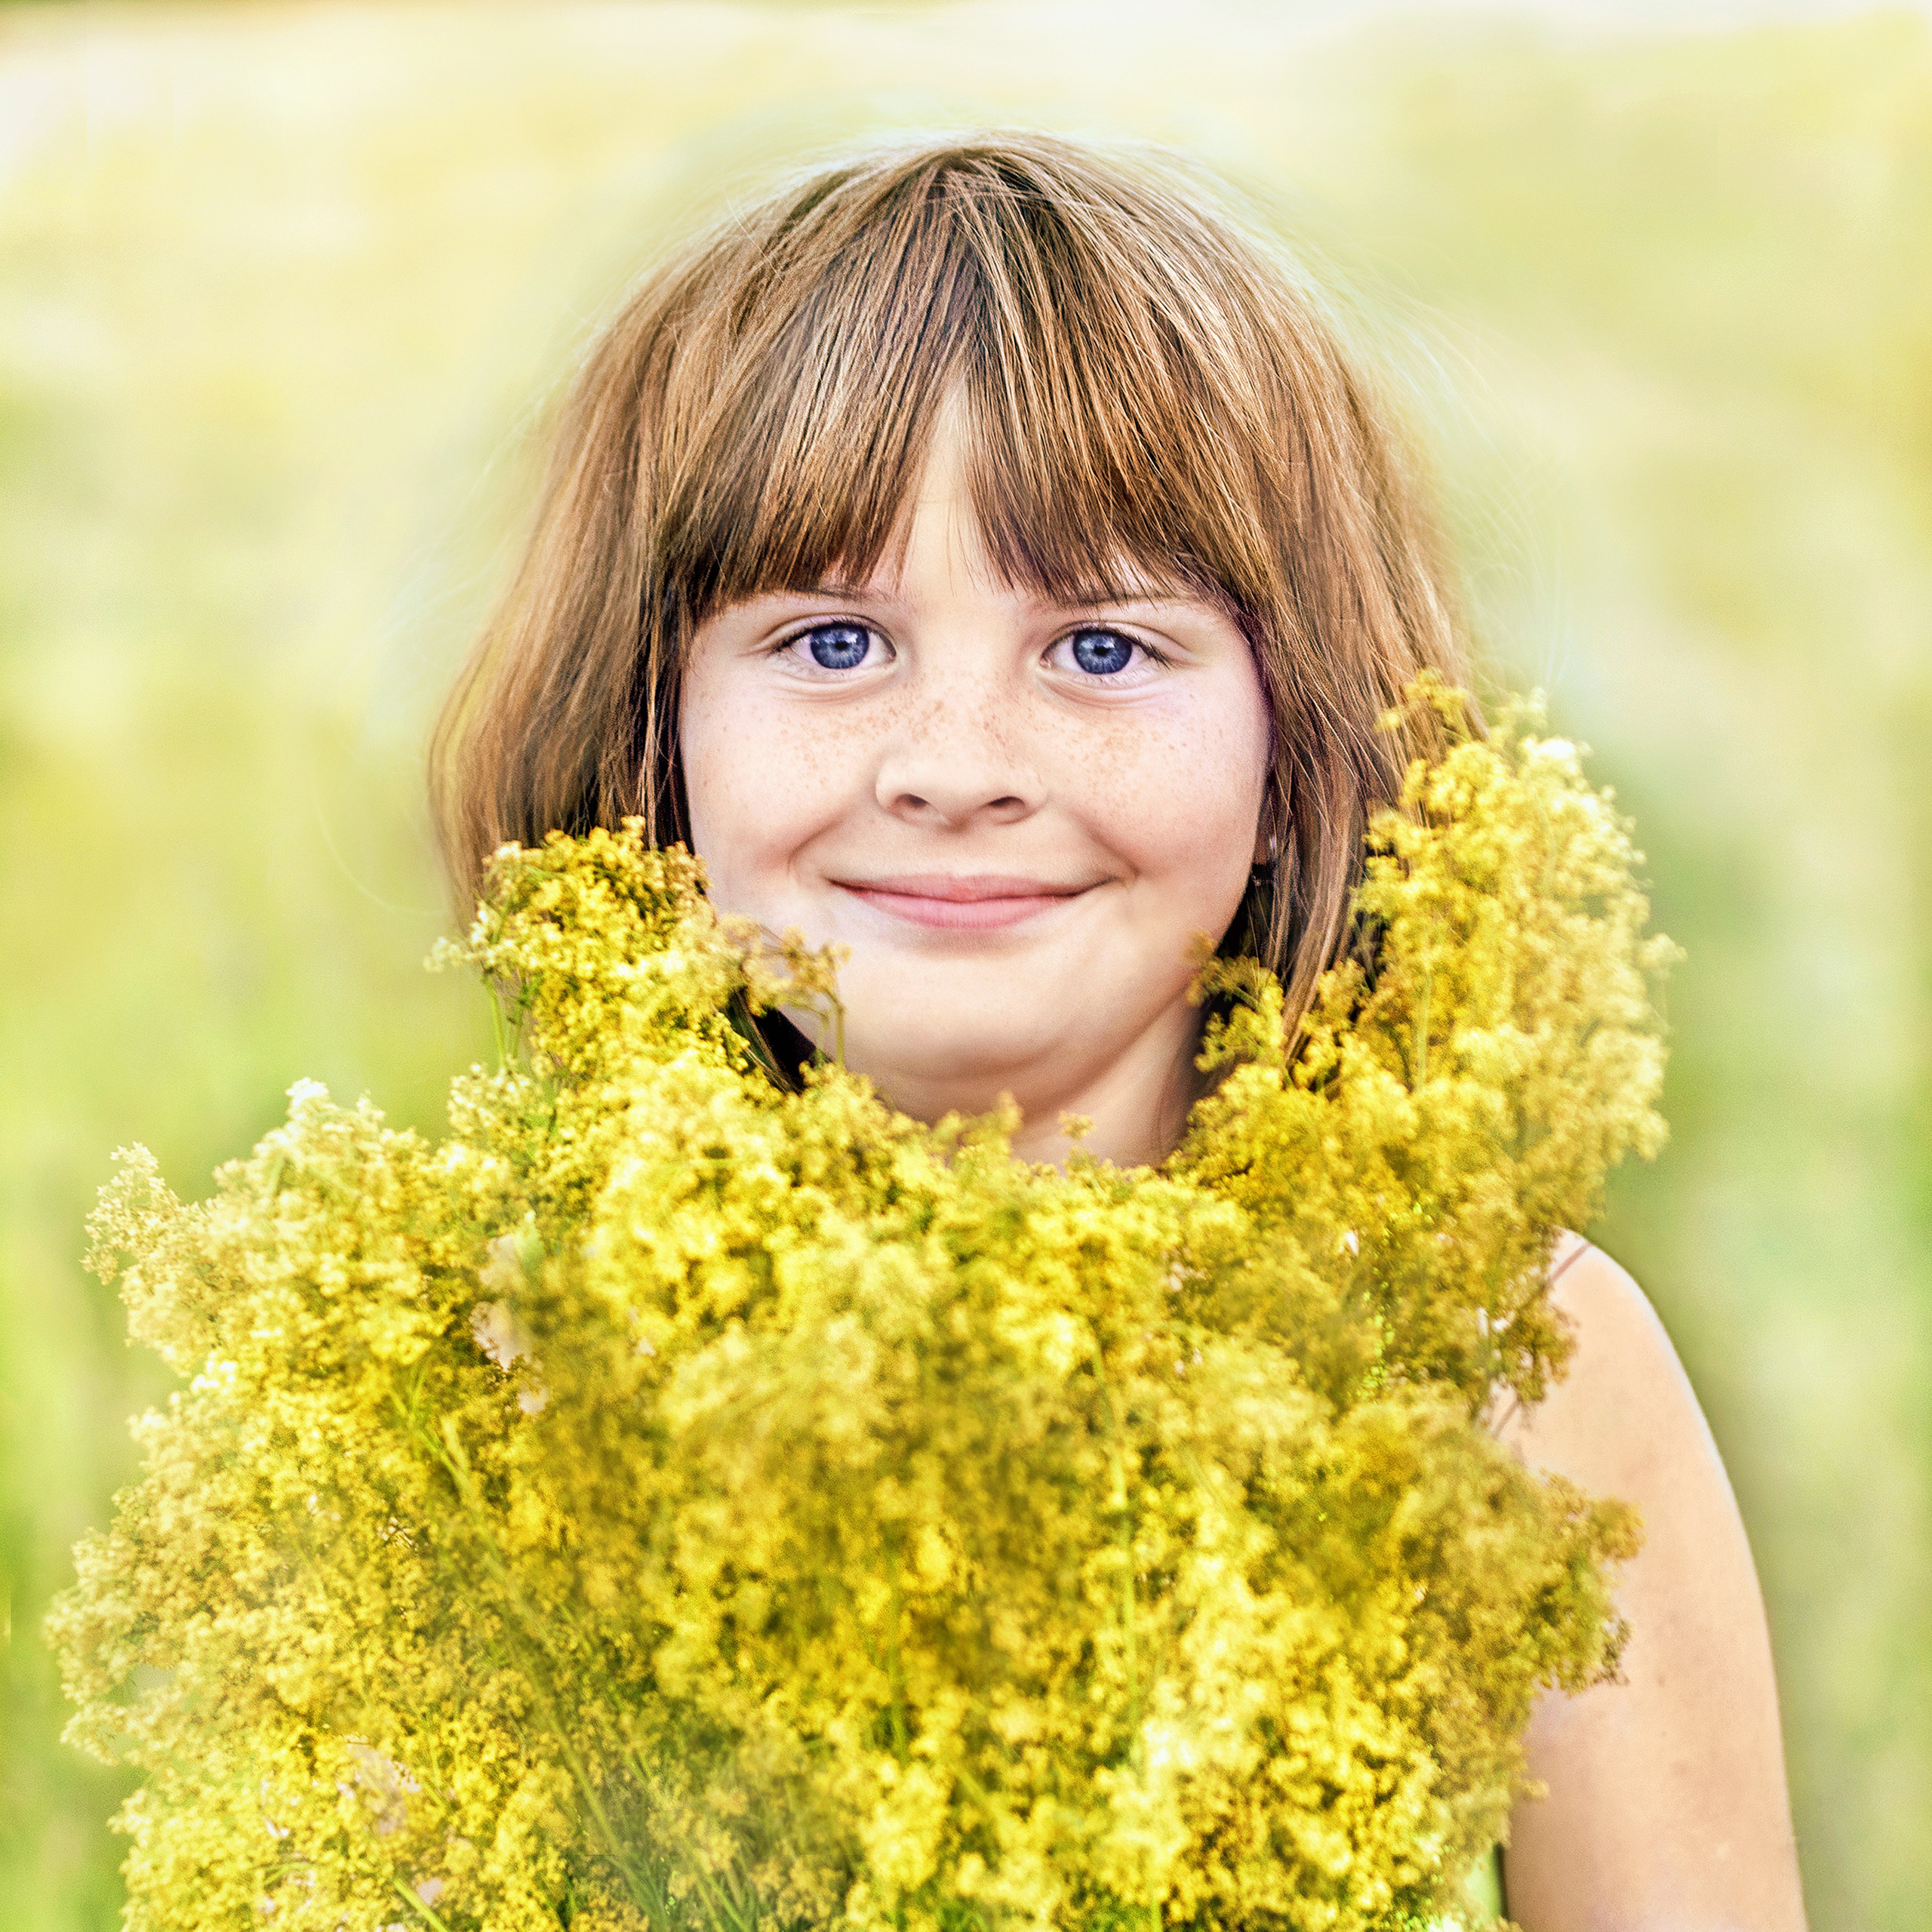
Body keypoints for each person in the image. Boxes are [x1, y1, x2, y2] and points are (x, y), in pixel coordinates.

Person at [432, 132, 1805, 1930]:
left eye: (1097, 649)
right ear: (653, 731)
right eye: (834, 640)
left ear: (1291, 731)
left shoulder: (1506, 1369)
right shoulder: (513, 1382)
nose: (951, 768)